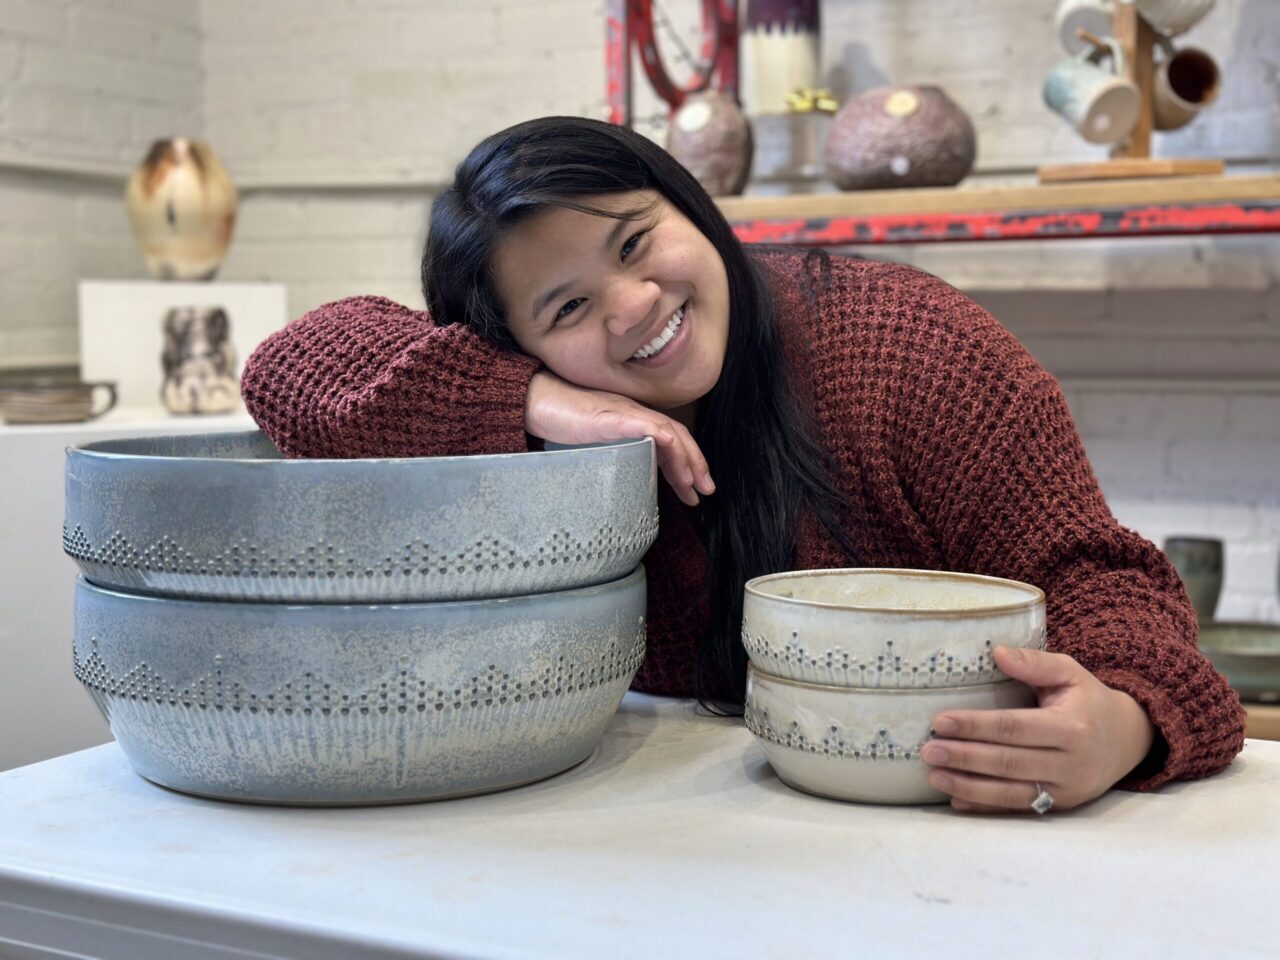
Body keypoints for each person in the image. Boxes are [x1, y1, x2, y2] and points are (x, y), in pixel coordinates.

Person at [242, 115, 1245, 815]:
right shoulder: (521, 396)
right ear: (519, 342)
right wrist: (532, 402)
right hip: (646, 838)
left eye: (639, 243)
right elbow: (288, 367)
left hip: (938, 817)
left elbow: (1103, 583)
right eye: (566, 309)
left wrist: (1117, 725)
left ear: (692, 206)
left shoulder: (904, 349)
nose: (631, 304)